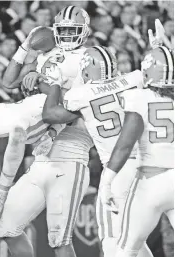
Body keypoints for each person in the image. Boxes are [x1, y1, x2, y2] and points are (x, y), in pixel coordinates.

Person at [0, 6, 91, 213]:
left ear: (84, 31)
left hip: (46, 113)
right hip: (23, 106)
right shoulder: (46, 53)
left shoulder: (87, 58)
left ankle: (1, 192)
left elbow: (77, 102)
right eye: (63, 30)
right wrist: (25, 46)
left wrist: (43, 81)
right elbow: (8, 82)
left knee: (18, 130)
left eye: (72, 30)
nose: (67, 35)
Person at [42, 45, 153, 257]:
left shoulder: (80, 95)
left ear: (86, 71)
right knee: (133, 241)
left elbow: (50, 115)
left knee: (112, 240)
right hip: (152, 165)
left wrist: (55, 83)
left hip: (119, 171)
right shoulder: (135, 79)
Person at [100, 46, 174, 257]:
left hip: (150, 182)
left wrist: (107, 182)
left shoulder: (139, 98)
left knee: (126, 249)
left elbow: (124, 145)